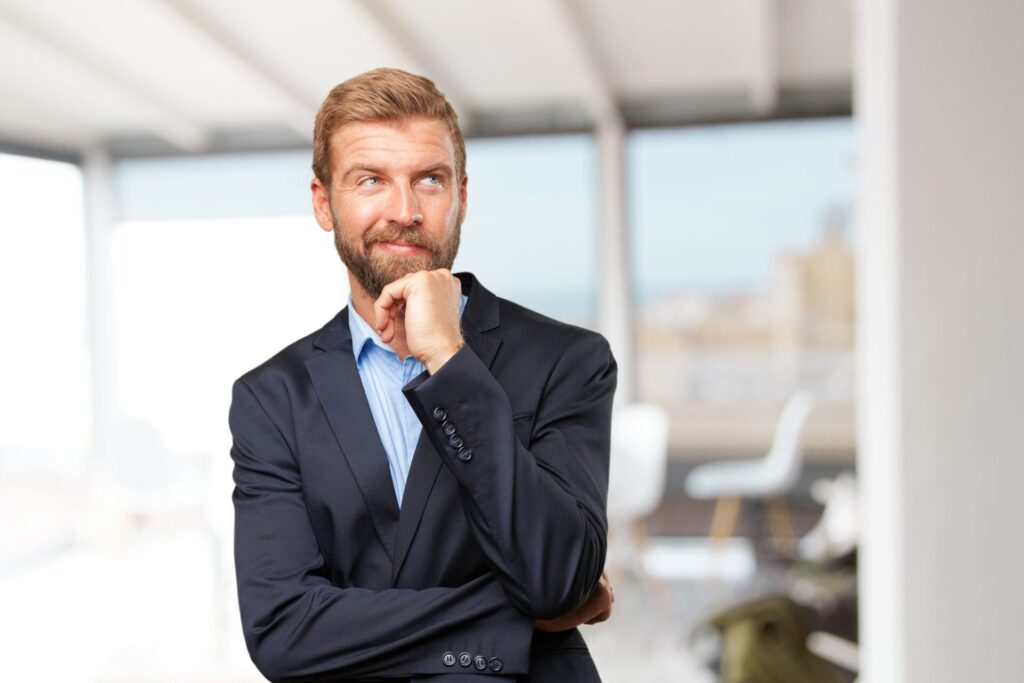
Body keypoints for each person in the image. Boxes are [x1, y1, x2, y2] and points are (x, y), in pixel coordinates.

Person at [228, 67, 616, 683]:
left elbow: (557, 575)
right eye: (371, 180)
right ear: (324, 202)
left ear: (462, 194)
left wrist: (451, 361)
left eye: (429, 180)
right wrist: (513, 618)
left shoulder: (568, 360)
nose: (404, 211)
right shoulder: (271, 397)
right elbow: (281, 630)